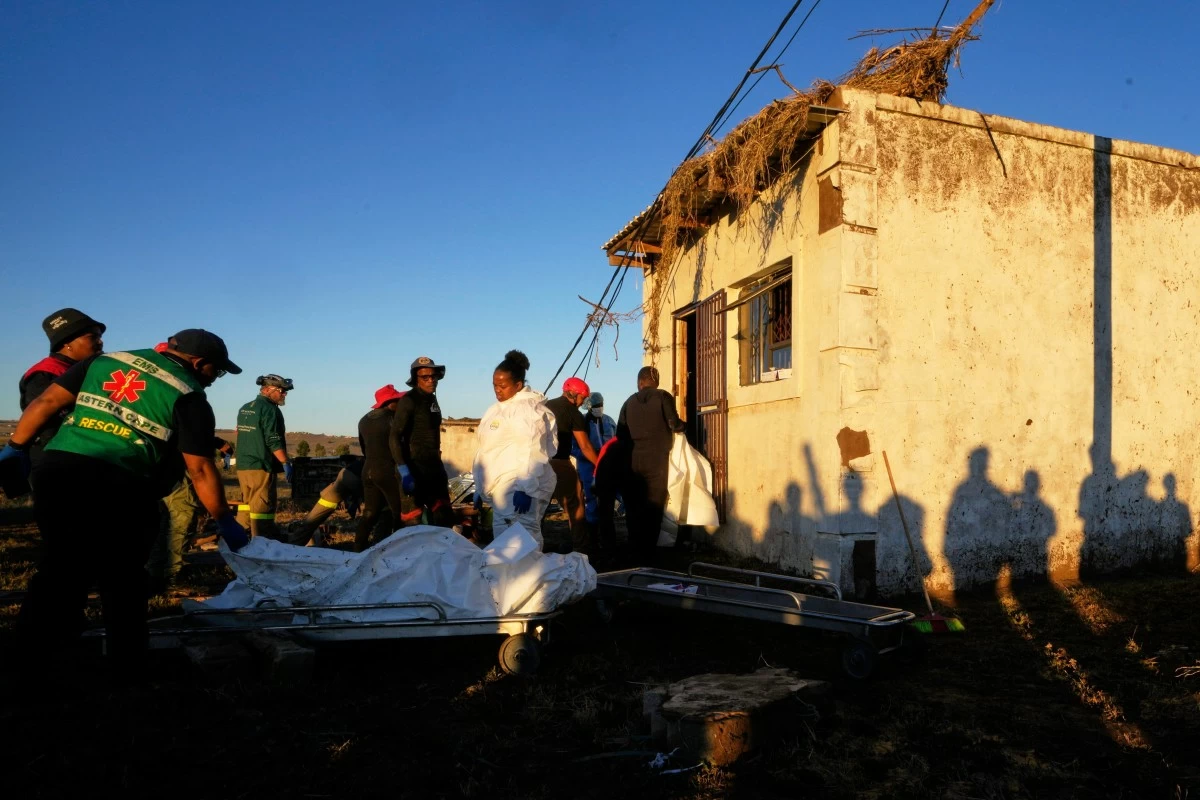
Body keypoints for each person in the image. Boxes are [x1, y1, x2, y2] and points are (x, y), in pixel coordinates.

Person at [0, 328, 248, 673]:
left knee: (59, 568)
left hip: (59, 473)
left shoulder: (104, 362)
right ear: (200, 363)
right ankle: (126, 667)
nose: (215, 379)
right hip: (122, 484)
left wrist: (15, 447)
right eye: (216, 371)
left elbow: (47, 403)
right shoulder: (189, 396)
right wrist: (223, 519)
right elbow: (200, 468)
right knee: (124, 578)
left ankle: (32, 660)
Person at [472, 350, 557, 547]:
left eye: (503, 386)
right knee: (503, 546)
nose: (497, 390)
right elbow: (487, 449)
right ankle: (508, 578)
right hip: (502, 492)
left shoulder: (526, 409)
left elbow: (532, 448)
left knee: (521, 546)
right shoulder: (497, 409)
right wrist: (480, 486)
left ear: (518, 385)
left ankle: (527, 578)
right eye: (494, 385)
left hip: (518, 488)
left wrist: (525, 487)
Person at [16, 308, 106, 474]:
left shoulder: (86, 370)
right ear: (67, 343)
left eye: (100, 337)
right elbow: (47, 424)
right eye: (93, 337)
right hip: (56, 462)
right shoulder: (45, 373)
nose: (100, 342)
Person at [146, 436, 233, 593]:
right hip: (178, 469)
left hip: (160, 468)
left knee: (164, 523)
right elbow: (189, 431)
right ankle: (173, 577)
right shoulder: (186, 412)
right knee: (181, 521)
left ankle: (155, 574)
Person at [617, 366, 685, 565]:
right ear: (656, 381)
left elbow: (620, 436)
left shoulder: (628, 402)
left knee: (634, 506)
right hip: (657, 461)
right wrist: (685, 426)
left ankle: (634, 550)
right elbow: (674, 424)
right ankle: (649, 554)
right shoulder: (663, 396)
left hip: (633, 462)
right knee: (654, 507)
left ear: (640, 382)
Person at [389, 356, 455, 528]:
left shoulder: (432, 399)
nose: (430, 380)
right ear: (416, 379)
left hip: (433, 467)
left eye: (433, 376)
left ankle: (440, 554)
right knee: (412, 522)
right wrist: (403, 469)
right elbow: (394, 435)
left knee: (444, 517)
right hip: (413, 467)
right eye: (425, 377)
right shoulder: (408, 401)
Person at [355, 384, 414, 551]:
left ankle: (357, 550)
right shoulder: (393, 419)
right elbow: (402, 446)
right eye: (398, 400)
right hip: (387, 470)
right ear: (390, 402)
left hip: (368, 470)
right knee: (399, 513)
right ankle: (399, 551)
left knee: (369, 513)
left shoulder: (364, 420)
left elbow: (364, 448)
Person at [543, 376, 599, 553]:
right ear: (573, 394)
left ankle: (533, 547)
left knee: (537, 508)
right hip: (559, 463)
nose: (583, 402)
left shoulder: (545, 406)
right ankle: (581, 549)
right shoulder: (574, 413)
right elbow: (585, 446)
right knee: (576, 506)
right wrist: (600, 464)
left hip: (537, 464)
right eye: (582, 397)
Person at [235, 373, 294, 540]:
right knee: (263, 507)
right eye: (281, 391)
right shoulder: (270, 409)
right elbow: (273, 440)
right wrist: (285, 461)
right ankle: (264, 541)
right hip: (261, 465)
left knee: (247, 505)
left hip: (243, 465)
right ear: (268, 390)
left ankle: (237, 537)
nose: (284, 394)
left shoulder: (246, 407)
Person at [573, 391, 617, 526]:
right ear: (589, 406)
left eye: (601, 404)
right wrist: (588, 454)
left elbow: (616, 441)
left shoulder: (609, 421)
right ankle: (592, 529)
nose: (599, 407)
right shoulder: (581, 423)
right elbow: (573, 448)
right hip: (587, 467)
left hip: (606, 465)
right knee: (590, 499)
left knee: (608, 497)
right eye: (597, 405)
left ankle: (607, 527)